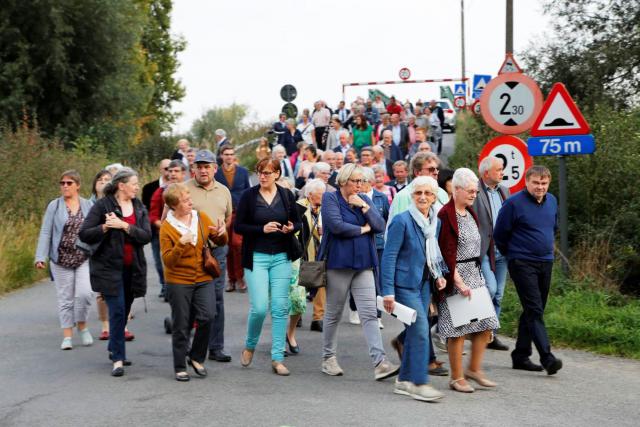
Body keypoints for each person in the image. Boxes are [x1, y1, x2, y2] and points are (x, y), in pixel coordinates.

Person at [318, 163, 399, 380]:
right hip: (339, 262)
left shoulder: (365, 199)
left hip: (364, 263)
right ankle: (328, 358)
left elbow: (380, 225)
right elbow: (335, 226)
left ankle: (380, 362)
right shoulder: (330, 199)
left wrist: (364, 208)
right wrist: (363, 229)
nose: (359, 185)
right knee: (334, 313)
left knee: (370, 313)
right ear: (343, 181)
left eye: (361, 181)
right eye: (355, 181)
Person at [79, 168, 151, 377]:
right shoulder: (103, 205)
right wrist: (105, 227)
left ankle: (113, 345)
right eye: (134, 183)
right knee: (117, 310)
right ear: (121, 185)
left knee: (125, 310)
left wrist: (124, 226)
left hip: (133, 268)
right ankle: (118, 359)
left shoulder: (138, 207)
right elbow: (85, 233)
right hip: (108, 268)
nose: (137, 187)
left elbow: (146, 236)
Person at [381, 176, 447, 402]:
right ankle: (419, 383)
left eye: (428, 193)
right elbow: (389, 257)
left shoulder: (434, 222)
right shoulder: (402, 221)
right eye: (418, 193)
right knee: (420, 330)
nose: (423, 197)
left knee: (413, 331)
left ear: (434, 197)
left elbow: (432, 251)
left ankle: (403, 380)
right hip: (404, 285)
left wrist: (438, 275)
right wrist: (387, 290)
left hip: (424, 283)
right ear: (412, 196)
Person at [234, 159, 302, 376]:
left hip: (282, 257)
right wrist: (261, 229)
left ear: (277, 174)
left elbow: (297, 222)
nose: (263, 176)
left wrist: (291, 228)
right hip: (257, 258)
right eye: (260, 172)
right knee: (260, 307)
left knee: (281, 308)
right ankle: (250, 345)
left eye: (267, 173)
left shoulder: (286, 195)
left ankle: (277, 358)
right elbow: (239, 226)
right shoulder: (249, 196)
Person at [494, 165, 563, 375]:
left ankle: (521, 355)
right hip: (521, 262)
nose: (540, 187)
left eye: (544, 183)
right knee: (534, 309)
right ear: (527, 182)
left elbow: (554, 227)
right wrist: (513, 254)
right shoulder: (513, 203)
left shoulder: (552, 200)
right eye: (536, 183)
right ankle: (547, 357)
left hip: (545, 261)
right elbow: (500, 234)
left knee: (534, 308)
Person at [437, 168, 499, 393]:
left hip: (475, 273)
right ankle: (456, 377)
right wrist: (458, 281)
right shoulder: (446, 214)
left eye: (476, 191)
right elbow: (444, 252)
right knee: (459, 329)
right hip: (457, 276)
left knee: (486, 325)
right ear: (457, 190)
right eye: (470, 191)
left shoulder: (469, 211)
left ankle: (474, 369)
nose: (474, 195)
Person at [160, 183, 228, 381]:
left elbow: (219, 241)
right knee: (181, 325)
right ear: (174, 206)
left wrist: (221, 233)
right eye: (185, 201)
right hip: (178, 280)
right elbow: (168, 261)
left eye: (190, 199)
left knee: (208, 316)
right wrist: (180, 244)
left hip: (203, 277)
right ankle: (180, 366)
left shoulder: (200, 218)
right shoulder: (167, 228)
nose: (190, 202)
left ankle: (197, 357)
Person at [35, 170, 95, 350]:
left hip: (82, 256)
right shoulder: (54, 205)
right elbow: (46, 231)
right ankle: (67, 335)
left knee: (85, 294)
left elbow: (95, 229)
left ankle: (82, 326)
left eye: (69, 183)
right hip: (60, 258)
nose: (65, 186)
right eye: (62, 183)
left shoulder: (88, 205)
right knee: (66, 298)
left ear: (78, 185)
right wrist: (40, 256)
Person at [185, 150, 233, 363]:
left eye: (207, 166)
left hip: (217, 250)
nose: (203, 170)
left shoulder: (223, 191)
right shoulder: (183, 190)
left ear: (215, 168)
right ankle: (186, 343)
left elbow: (229, 216)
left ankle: (216, 347)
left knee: (217, 298)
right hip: (191, 251)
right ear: (193, 168)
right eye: (199, 166)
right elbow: (168, 216)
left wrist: (223, 230)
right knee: (190, 297)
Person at [473, 157, 511, 351]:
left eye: (502, 169)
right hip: (484, 249)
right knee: (491, 289)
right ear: (486, 173)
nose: (502, 172)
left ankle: (490, 335)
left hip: (502, 249)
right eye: (498, 169)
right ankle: (476, 327)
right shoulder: (475, 191)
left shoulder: (505, 191)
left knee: (499, 295)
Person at [149, 160, 187, 300]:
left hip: (188, 235)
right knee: (162, 263)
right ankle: (167, 287)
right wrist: (167, 228)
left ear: (184, 173)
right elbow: (153, 216)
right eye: (170, 171)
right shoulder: (160, 192)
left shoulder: (190, 191)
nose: (172, 174)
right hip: (164, 234)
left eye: (176, 171)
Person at [215, 145, 251, 293]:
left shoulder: (242, 172)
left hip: (239, 212)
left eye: (231, 154)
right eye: (226, 154)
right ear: (222, 156)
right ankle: (231, 280)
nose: (229, 157)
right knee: (226, 247)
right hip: (222, 214)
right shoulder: (216, 173)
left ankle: (240, 277)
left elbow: (248, 191)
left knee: (238, 245)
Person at [90, 170, 113, 340]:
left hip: (116, 249)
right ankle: (105, 325)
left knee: (121, 288)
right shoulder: (88, 204)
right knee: (101, 292)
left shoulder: (117, 202)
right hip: (96, 251)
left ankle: (122, 324)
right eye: (100, 180)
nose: (103, 182)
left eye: (107, 180)